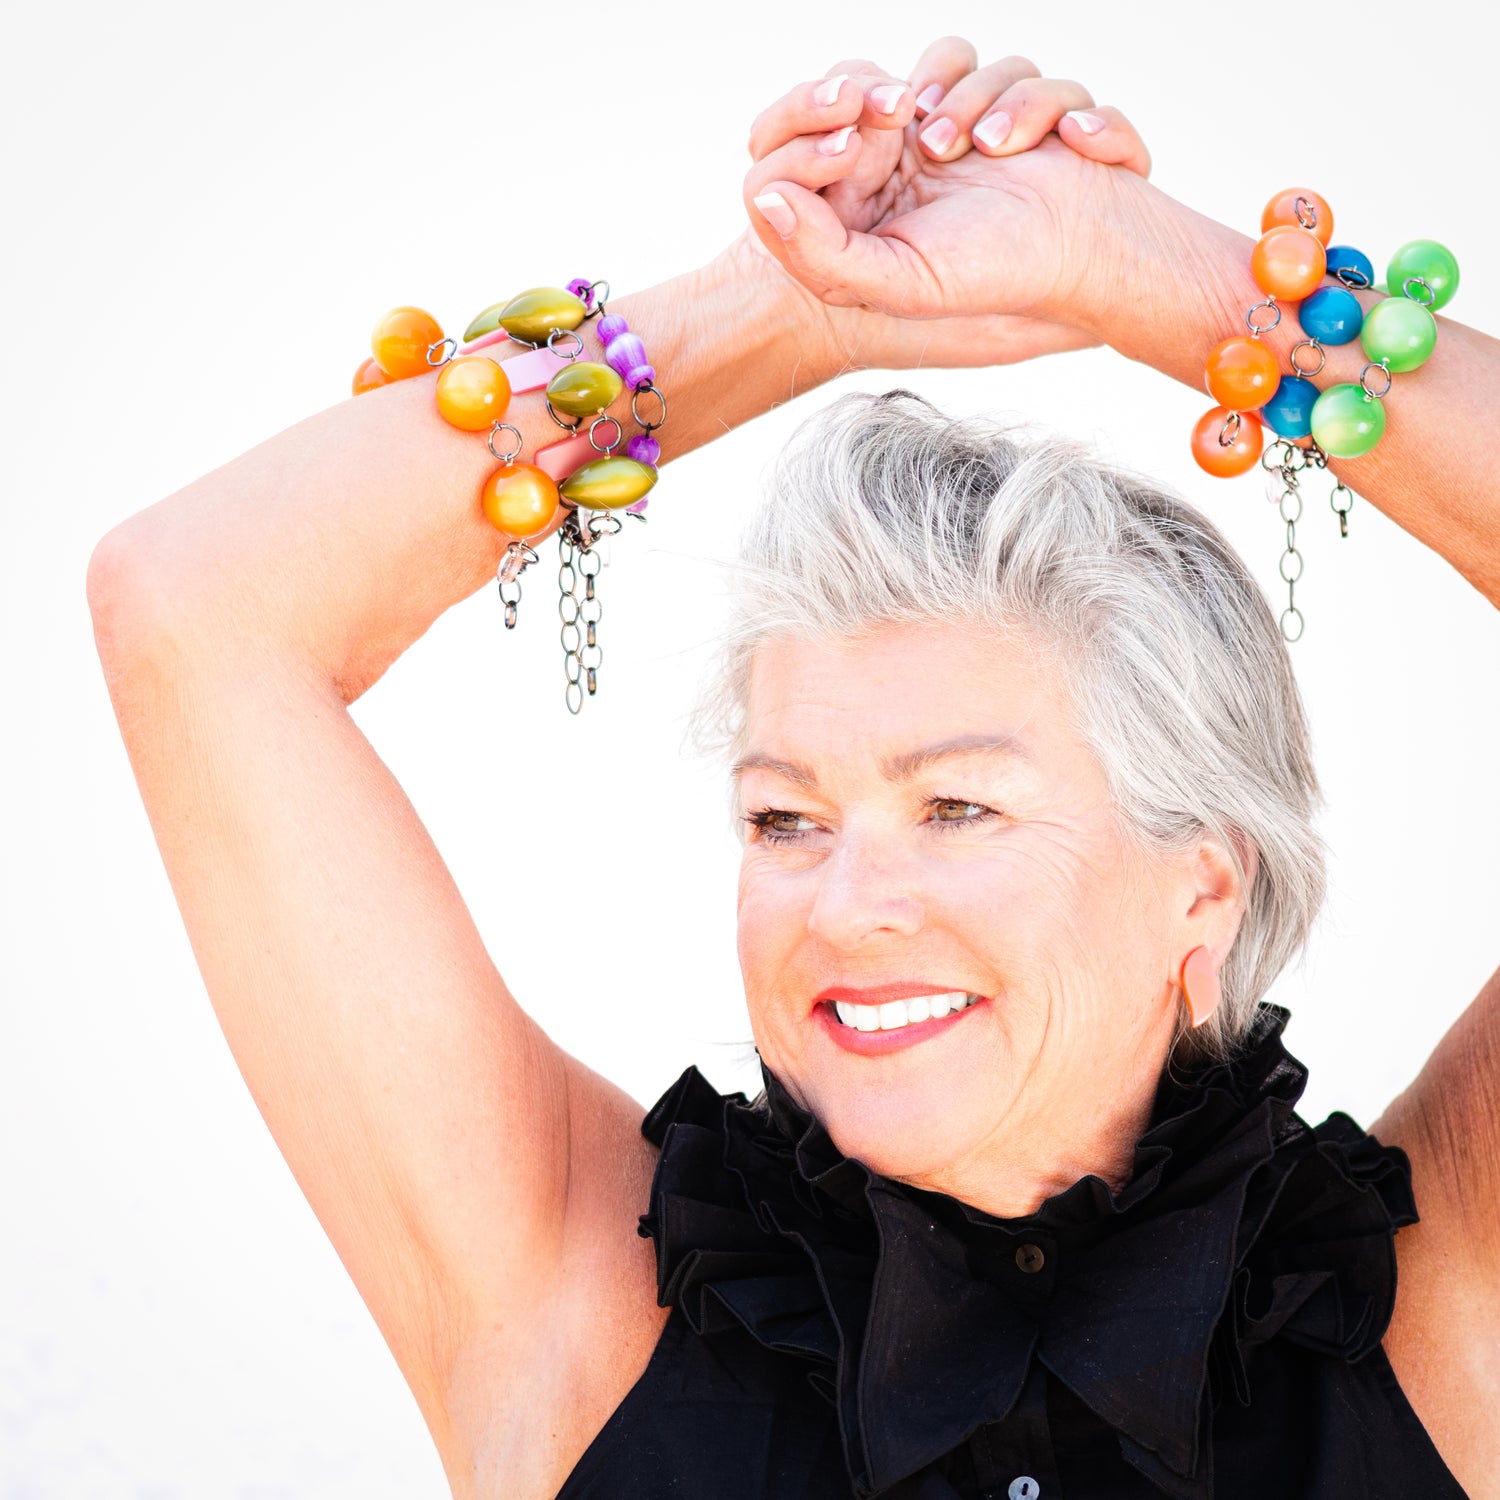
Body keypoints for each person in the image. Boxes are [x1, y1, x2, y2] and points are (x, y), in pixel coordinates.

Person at [86, 37, 1498, 1500]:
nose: (845, 903)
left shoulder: (1428, 1308)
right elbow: (194, 601)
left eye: (957, 806)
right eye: (785, 818)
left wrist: (1152, 275)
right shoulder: (576, 1300)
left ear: (1202, 887)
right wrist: (787, 307)